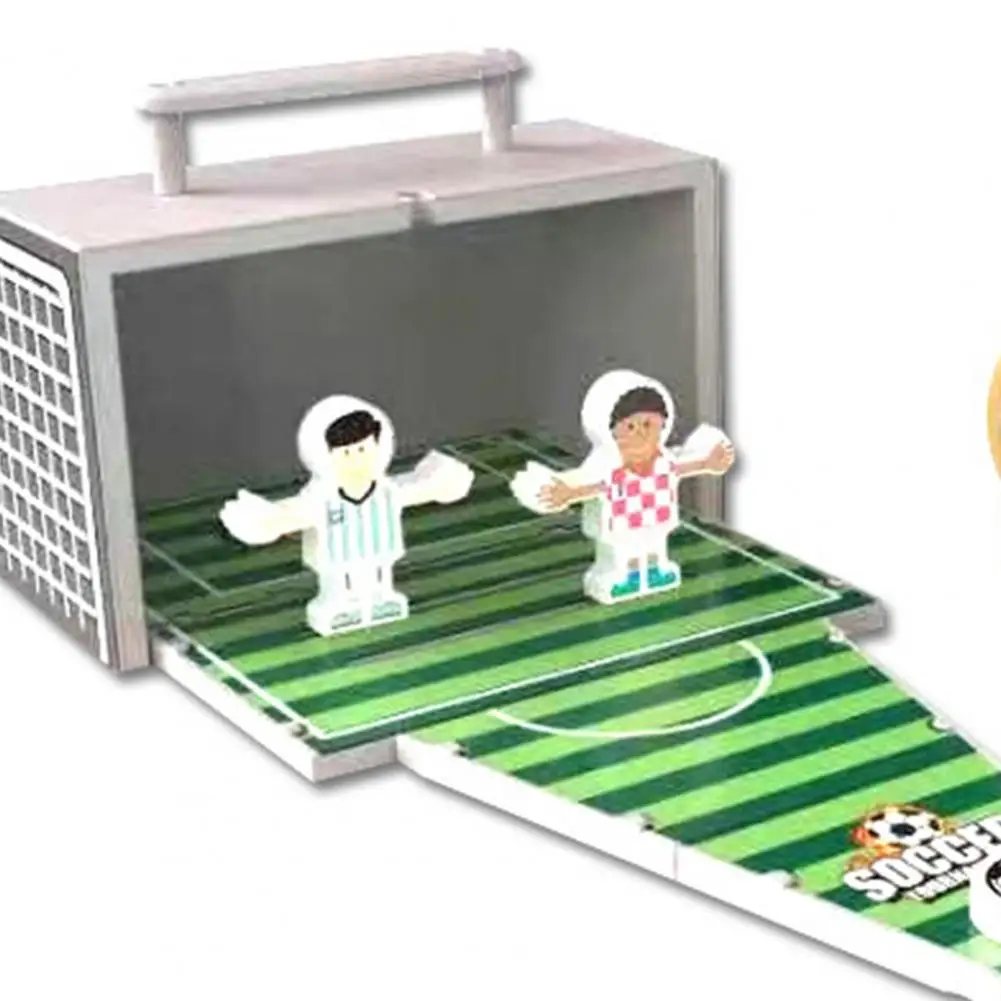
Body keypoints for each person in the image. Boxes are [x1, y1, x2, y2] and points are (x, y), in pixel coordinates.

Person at [219, 394, 473, 636]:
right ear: (325, 455)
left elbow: (419, 488)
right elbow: (292, 514)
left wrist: (443, 482)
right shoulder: (323, 500)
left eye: (363, 449)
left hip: (380, 551)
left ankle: (382, 599)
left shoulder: (387, 492)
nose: (356, 460)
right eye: (347, 453)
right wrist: (266, 520)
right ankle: (341, 607)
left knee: (379, 576)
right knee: (342, 583)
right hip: (338, 559)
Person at [537, 371, 734, 603]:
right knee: (623, 551)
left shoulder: (664, 461)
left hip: (657, 517)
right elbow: (596, 485)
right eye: (630, 427)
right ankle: (624, 577)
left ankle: (656, 571)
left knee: (654, 546)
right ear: (610, 430)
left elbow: (681, 466)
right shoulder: (610, 468)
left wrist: (707, 463)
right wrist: (570, 492)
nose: (640, 433)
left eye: (648, 424)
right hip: (621, 521)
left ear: (663, 424)